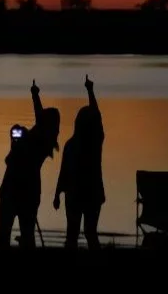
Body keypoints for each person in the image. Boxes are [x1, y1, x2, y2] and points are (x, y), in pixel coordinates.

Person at [0, 80, 59, 248]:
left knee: (6, 231)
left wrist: (35, 96)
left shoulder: (39, 141)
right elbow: (40, 116)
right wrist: (35, 95)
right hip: (29, 191)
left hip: (15, 188)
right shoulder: (44, 140)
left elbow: (11, 159)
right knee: (27, 231)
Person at [53, 75, 104, 249]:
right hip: (89, 194)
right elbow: (97, 116)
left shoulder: (72, 145)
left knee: (73, 234)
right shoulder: (94, 144)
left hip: (76, 195)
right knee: (89, 233)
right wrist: (90, 90)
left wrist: (57, 193)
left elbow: (63, 171)